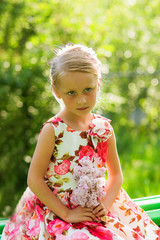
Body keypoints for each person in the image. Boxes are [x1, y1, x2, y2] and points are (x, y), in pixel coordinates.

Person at [2, 44, 160, 240]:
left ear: (98, 84)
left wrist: (106, 205)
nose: (81, 100)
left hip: (95, 205)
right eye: (71, 93)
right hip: (55, 210)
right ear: (56, 91)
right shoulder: (53, 130)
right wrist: (67, 213)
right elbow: (34, 179)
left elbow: (116, 175)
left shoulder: (103, 129)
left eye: (88, 90)